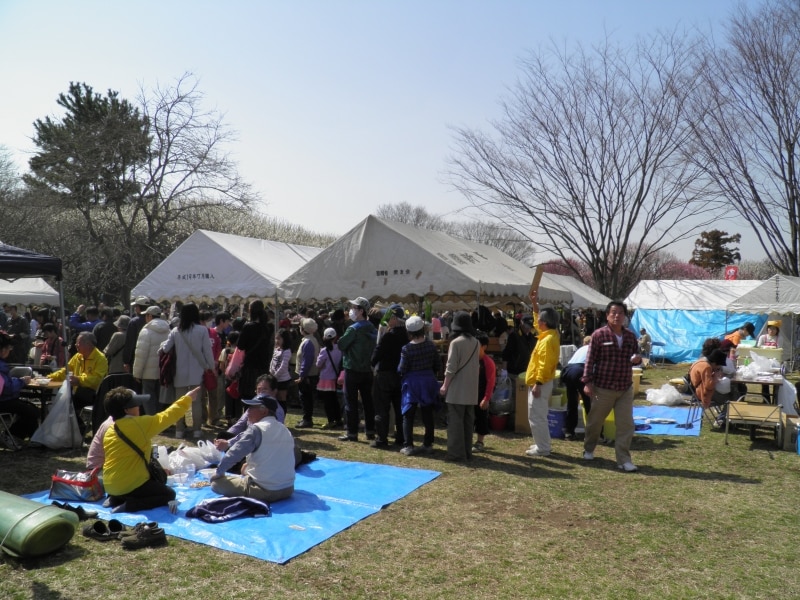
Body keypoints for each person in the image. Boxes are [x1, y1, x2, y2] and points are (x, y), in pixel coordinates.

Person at [102, 386, 196, 513]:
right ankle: (130, 505)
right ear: (127, 410)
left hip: (109, 485)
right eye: (135, 404)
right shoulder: (140, 424)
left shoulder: (111, 430)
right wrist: (187, 399)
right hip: (130, 485)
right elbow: (169, 416)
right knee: (169, 494)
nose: (139, 406)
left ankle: (115, 498)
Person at [581, 301, 643, 472]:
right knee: (595, 422)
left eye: (621, 313)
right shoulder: (599, 335)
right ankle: (588, 448)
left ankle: (624, 459)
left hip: (624, 387)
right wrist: (587, 382)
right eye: (614, 312)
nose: (617, 316)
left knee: (626, 424)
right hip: (603, 387)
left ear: (625, 316)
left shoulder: (630, 336)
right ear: (607, 315)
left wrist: (637, 358)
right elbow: (589, 360)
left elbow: (637, 354)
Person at [211, 393, 296, 503]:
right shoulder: (284, 429)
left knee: (216, 484)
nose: (248, 412)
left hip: (266, 490)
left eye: (251, 408)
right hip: (288, 489)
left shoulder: (256, 429)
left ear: (264, 411)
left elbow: (234, 454)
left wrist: (219, 472)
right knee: (245, 468)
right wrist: (229, 443)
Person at [160, 303, 214, 439]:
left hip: (180, 371)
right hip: (197, 371)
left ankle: (179, 430)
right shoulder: (202, 330)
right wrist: (211, 367)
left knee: (179, 402)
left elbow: (165, 349)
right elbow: (207, 351)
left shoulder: (176, 331)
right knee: (196, 402)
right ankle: (197, 430)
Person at [440, 311, 480, 462]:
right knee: (468, 424)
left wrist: (444, 386)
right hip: (471, 389)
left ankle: (456, 454)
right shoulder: (476, 342)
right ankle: (467, 451)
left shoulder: (455, 343)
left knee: (455, 423)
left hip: (457, 389)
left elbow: (451, 368)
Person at [50, 331, 108, 432]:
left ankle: (80, 429)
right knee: (63, 401)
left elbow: (97, 379)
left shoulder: (100, 358)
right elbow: (66, 371)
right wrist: (50, 377)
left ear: (88, 344)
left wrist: (79, 380)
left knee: (67, 403)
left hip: (94, 394)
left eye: (78, 342)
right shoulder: (78, 356)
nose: (76, 345)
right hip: (79, 392)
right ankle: (80, 428)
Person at [398, 316, 439, 456]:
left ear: (409, 332)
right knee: (427, 413)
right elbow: (437, 365)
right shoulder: (431, 345)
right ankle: (428, 444)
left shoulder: (406, 349)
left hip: (412, 382)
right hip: (428, 380)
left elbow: (402, 369)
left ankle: (408, 445)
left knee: (408, 414)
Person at [338, 297, 378, 442]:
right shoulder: (372, 328)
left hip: (352, 369)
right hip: (367, 370)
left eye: (354, 307)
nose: (351, 310)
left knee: (351, 402)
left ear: (361, 311)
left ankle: (352, 433)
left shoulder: (353, 328)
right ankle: (370, 431)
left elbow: (342, 344)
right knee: (368, 402)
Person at [524, 301, 560, 458]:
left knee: (537, 416)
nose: (536, 322)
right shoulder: (550, 334)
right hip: (541, 382)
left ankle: (543, 447)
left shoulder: (547, 340)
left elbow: (545, 364)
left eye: (539, 320)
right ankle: (541, 443)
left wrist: (538, 383)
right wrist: (535, 306)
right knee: (538, 415)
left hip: (541, 382)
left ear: (544, 323)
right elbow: (537, 323)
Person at [370, 304, 407, 448]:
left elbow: (376, 356)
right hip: (401, 375)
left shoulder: (388, 336)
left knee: (382, 408)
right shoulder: (407, 335)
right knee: (399, 408)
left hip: (385, 375)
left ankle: (382, 439)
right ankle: (401, 437)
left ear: (393, 318)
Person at [0, 331, 38, 448]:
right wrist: (21, 381)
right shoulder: (1, 366)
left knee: (28, 408)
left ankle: (15, 436)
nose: (9, 350)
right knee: (31, 411)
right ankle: (11, 435)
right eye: (8, 348)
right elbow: (7, 388)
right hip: (3, 401)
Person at [133, 306, 169, 416]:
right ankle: (160, 420)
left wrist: (137, 373)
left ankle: (151, 421)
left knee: (148, 397)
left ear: (149, 316)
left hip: (148, 372)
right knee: (160, 397)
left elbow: (141, 354)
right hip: (163, 370)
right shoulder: (169, 330)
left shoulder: (146, 331)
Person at [236, 300, 274, 401]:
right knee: (261, 396)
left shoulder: (248, 327)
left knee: (248, 396)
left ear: (251, 311)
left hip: (250, 366)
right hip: (263, 366)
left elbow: (240, 346)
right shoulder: (268, 327)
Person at [560, 336, 593, 440]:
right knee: (589, 404)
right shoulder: (593, 349)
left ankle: (569, 432)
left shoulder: (580, 349)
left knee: (572, 403)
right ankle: (595, 433)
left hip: (567, 371)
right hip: (580, 371)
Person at [689, 349, 730, 428]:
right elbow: (709, 385)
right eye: (718, 365)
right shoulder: (706, 367)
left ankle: (722, 419)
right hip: (702, 393)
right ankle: (721, 420)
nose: (718, 367)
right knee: (730, 399)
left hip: (696, 390)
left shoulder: (700, 361)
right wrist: (716, 377)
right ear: (714, 363)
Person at [472, 331, 496, 453]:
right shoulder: (470, 360)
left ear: (484, 347)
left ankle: (480, 441)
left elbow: (491, 382)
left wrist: (486, 398)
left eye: (477, 345)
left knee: (481, 418)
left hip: (481, 395)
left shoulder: (488, 362)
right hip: (470, 395)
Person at [295, 318, 321, 429]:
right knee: (307, 397)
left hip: (307, 375)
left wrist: (302, 375)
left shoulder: (308, 342)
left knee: (305, 397)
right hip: (310, 374)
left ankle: (307, 419)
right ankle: (306, 417)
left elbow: (307, 360)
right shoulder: (312, 340)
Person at [316, 327, 343, 429]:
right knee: (335, 400)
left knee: (327, 402)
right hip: (335, 377)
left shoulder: (324, 350)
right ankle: (338, 419)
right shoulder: (340, 349)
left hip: (325, 378)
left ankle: (331, 420)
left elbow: (318, 364)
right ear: (336, 337)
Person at [502, 314, 536, 383]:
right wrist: (504, 370)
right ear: (521, 323)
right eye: (526, 326)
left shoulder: (532, 337)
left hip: (528, 371)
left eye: (530, 326)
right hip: (515, 372)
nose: (528, 329)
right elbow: (506, 354)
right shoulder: (514, 336)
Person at [123, 296, 151, 375]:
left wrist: (126, 361)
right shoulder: (153, 320)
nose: (135, 309)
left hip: (137, 358)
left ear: (138, 307)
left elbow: (129, 342)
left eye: (135, 306)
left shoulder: (134, 322)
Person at [270, 329, 293, 413]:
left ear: (284, 339)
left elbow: (283, 366)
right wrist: (271, 372)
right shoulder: (276, 349)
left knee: (281, 399)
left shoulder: (287, 351)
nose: (277, 341)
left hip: (282, 379)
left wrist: (275, 376)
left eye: (279, 338)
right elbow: (272, 361)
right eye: (276, 338)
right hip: (273, 377)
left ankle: (281, 418)